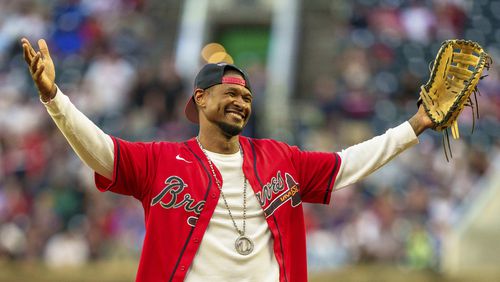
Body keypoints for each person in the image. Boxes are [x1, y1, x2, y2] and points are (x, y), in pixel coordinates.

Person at [21, 38, 434, 282]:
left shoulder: (280, 158)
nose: (241, 103)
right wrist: (54, 99)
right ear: (200, 98)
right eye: (231, 94)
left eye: (247, 98)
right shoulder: (161, 160)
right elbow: (100, 149)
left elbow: (350, 162)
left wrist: (413, 125)